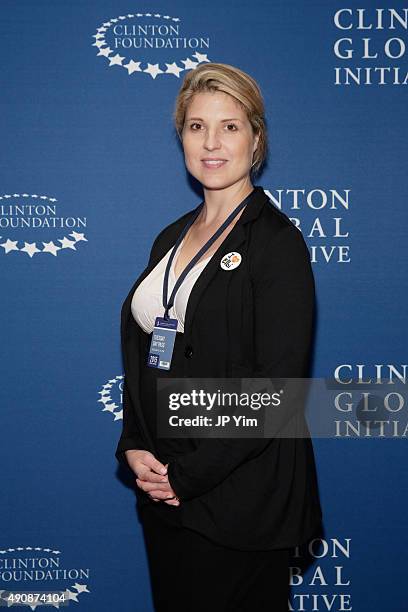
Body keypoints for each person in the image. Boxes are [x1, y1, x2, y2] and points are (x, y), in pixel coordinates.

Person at [115, 62, 323, 612]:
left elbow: (275, 391)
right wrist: (134, 443)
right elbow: (144, 356)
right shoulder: (170, 236)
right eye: (196, 126)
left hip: (239, 501)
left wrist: (186, 476)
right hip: (167, 495)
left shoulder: (275, 243)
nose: (211, 143)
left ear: (256, 138)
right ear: (180, 135)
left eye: (229, 126)